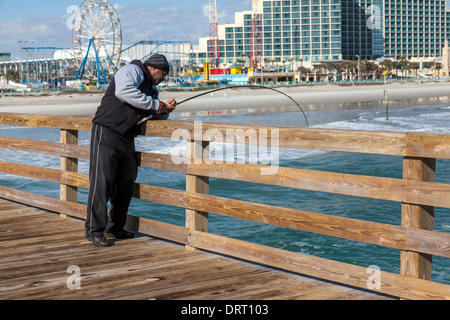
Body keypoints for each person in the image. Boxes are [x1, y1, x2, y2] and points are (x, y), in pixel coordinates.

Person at [85, 54, 176, 247]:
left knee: (125, 184)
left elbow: (149, 112)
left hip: (127, 138)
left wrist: (163, 110)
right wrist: (155, 105)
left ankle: (115, 227)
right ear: (153, 67)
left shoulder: (152, 91)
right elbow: (124, 91)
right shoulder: (132, 70)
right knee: (102, 183)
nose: (164, 78)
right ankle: (94, 230)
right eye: (164, 73)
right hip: (107, 132)